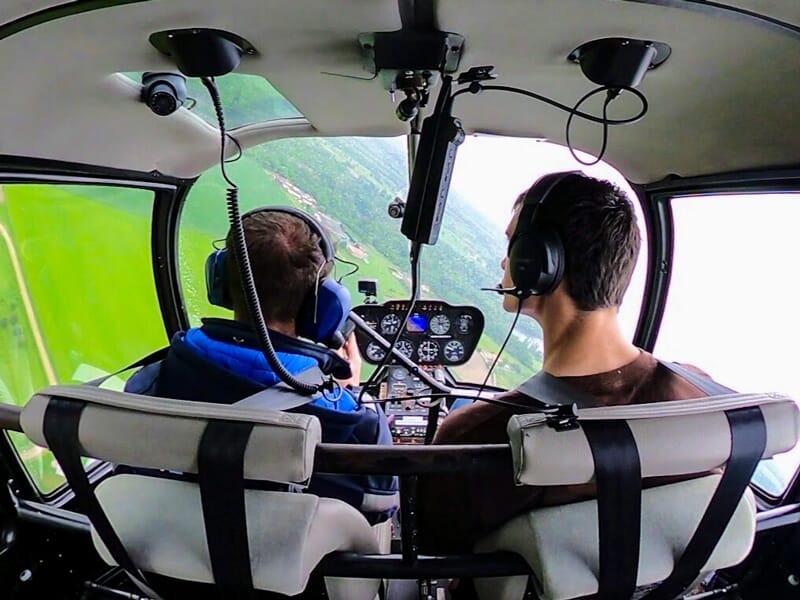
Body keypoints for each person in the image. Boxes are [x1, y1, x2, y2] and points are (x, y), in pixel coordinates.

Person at [417, 172, 713, 556]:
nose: (505, 258)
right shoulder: (703, 397)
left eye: (513, 243)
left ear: (538, 262)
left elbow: (434, 553)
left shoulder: (479, 435)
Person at [125, 206, 397, 524]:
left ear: (220, 280)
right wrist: (349, 394)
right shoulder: (353, 422)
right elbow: (382, 510)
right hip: (291, 568)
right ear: (322, 305)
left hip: (165, 553)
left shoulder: (155, 378)